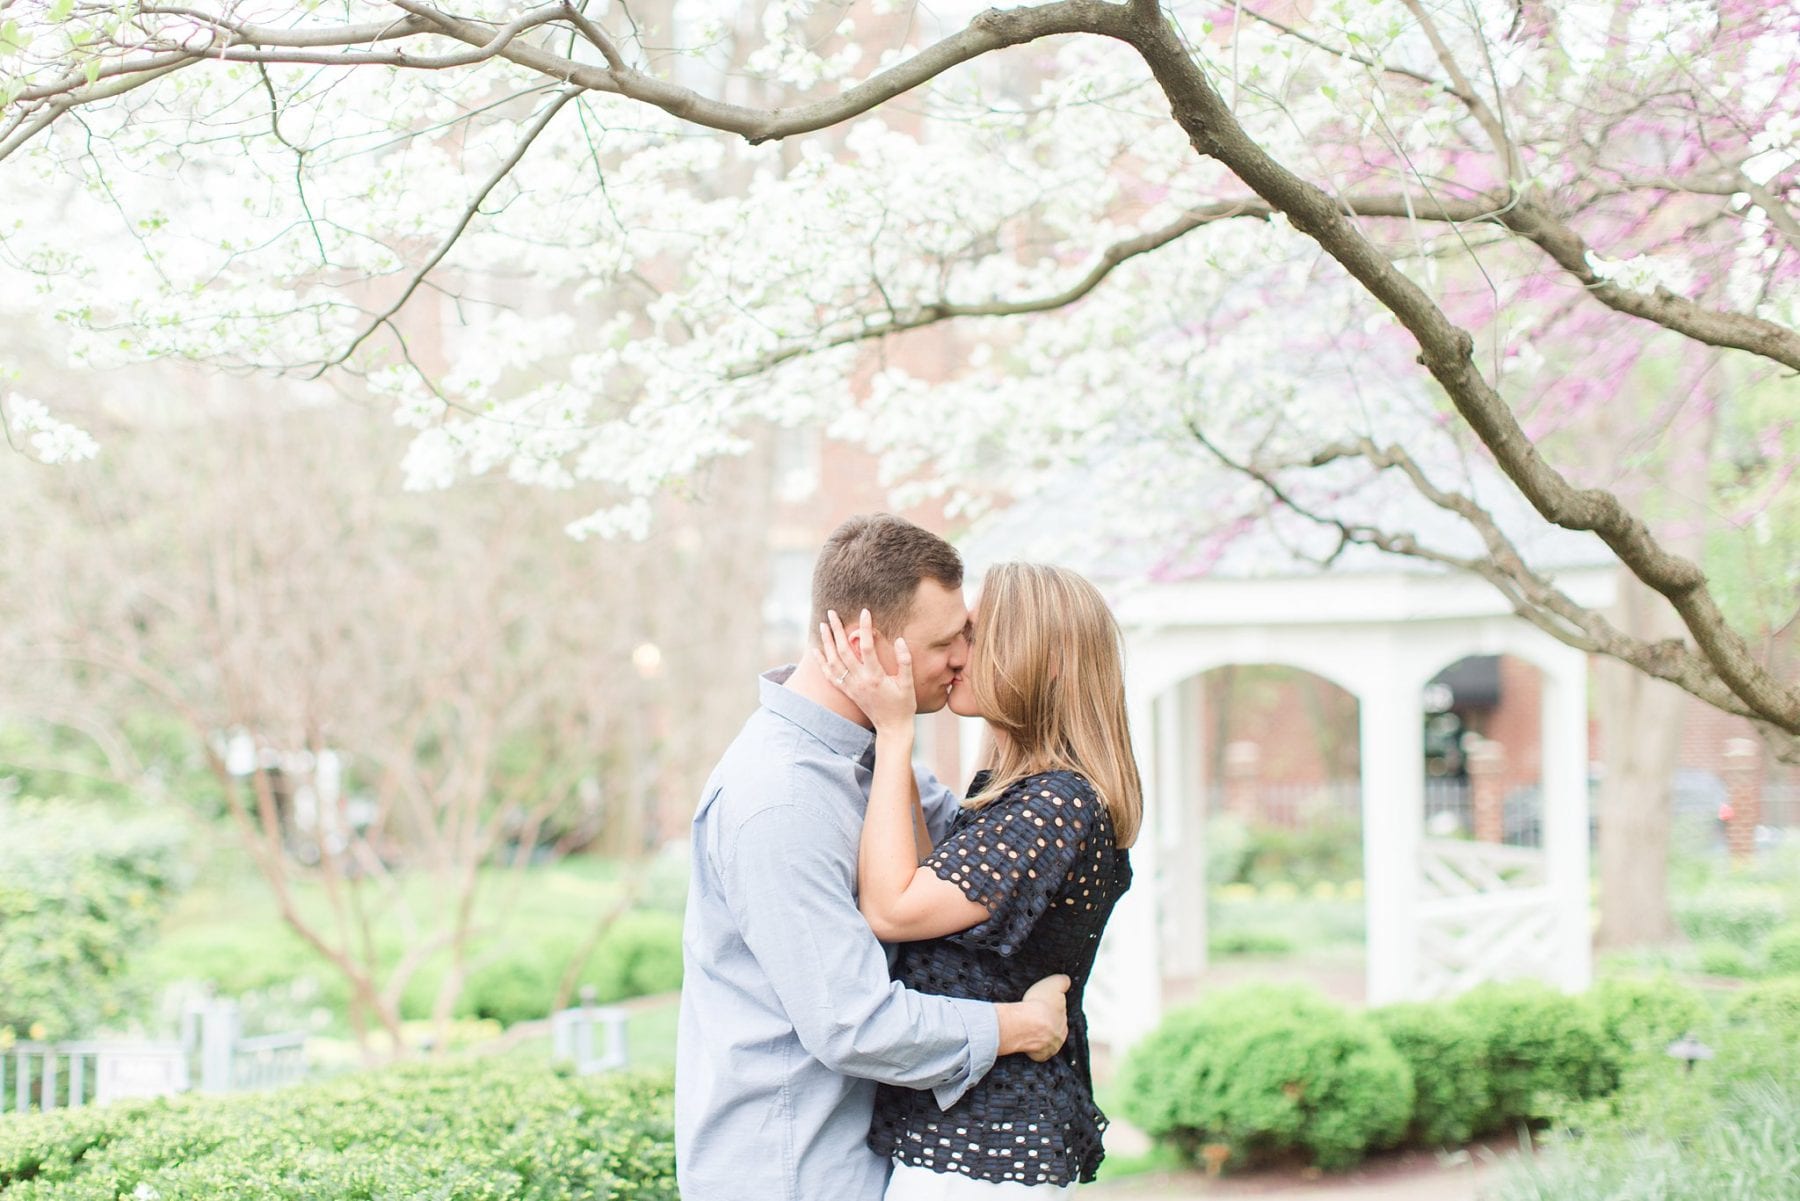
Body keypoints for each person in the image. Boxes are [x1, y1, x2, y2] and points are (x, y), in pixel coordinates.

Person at [676, 516, 1073, 1201]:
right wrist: (1020, 1025)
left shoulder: (872, 763)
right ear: (864, 646)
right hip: (792, 1175)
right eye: (946, 642)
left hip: (860, 1162)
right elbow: (851, 1023)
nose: (962, 659)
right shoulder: (780, 799)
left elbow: (973, 858)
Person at [814, 561, 1141, 1197]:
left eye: (980, 635)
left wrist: (896, 728)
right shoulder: (1017, 793)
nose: (960, 654)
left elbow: (893, 908)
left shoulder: (1058, 803)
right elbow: (913, 870)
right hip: (970, 1140)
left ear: (1046, 662)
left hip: (989, 1148)